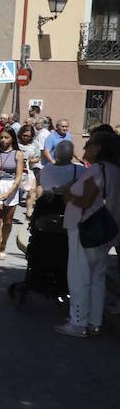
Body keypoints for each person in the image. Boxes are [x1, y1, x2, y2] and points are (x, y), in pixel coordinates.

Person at [59, 131, 120, 337]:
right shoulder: (115, 170)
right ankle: (94, 322)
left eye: (89, 145)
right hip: (106, 231)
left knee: (79, 276)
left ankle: (78, 322)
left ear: (98, 148)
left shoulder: (97, 170)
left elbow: (85, 201)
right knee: (97, 277)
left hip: (85, 228)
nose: (84, 149)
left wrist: (68, 194)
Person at [0, 126, 25, 265]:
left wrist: (10, 192)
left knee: (7, 222)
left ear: (12, 138)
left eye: (6, 137)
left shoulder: (17, 154)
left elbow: (19, 176)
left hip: (10, 186)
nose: (3, 140)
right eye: (1, 137)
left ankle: (3, 245)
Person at [17, 124, 43, 218]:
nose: (26, 138)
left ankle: (28, 212)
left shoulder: (34, 144)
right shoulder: (16, 143)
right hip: (16, 170)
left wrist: (29, 160)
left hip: (29, 170)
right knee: (16, 192)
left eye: (29, 136)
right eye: (24, 135)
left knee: (32, 190)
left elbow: (38, 158)